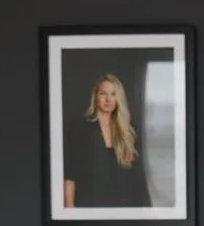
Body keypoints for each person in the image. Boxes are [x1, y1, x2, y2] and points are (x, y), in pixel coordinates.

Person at [63, 74, 151, 209]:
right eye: (103, 93)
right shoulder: (79, 128)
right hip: (90, 204)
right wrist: (69, 210)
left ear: (118, 98)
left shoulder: (129, 130)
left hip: (124, 205)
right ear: (95, 96)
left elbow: (138, 177)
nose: (108, 99)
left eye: (113, 94)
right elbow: (70, 174)